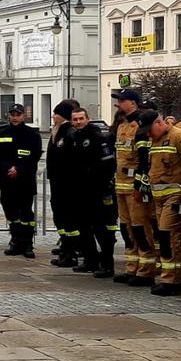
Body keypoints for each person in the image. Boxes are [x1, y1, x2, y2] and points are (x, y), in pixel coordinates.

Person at [142, 111, 181, 295]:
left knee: (169, 236)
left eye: (149, 129)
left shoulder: (179, 136)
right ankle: (172, 275)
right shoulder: (154, 140)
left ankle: (172, 280)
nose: (148, 134)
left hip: (175, 196)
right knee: (164, 236)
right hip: (158, 197)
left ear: (159, 123)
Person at [111, 90, 155, 285]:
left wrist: (141, 184)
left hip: (134, 186)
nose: (118, 104)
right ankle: (132, 266)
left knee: (140, 227)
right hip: (121, 185)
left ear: (134, 103)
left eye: (122, 101)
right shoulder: (122, 125)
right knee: (126, 227)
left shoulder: (141, 126)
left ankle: (146, 270)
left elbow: (145, 159)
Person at [71, 107, 118, 278]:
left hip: (97, 190)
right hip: (81, 190)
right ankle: (90, 260)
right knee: (83, 227)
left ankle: (107, 265)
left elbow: (107, 164)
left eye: (81, 118)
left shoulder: (98, 137)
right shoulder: (74, 137)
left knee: (101, 229)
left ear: (87, 119)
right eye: (75, 119)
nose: (78, 122)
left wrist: (105, 186)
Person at [0, 103, 42, 259]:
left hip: (25, 180)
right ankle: (15, 241)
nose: (15, 117)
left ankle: (27, 243)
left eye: (18, 114)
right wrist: (9, 168)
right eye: (12, 114)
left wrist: (19, 169)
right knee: (10, 211)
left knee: (26, 212)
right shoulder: (1, 133)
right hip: (7, 180)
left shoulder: (32, 135)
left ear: (23, 116)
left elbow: (34, 157)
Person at [47, 101, 80, 267]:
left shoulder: (69, 132)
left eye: (56, 114)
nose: (53, 116)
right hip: (57, 181)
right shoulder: (57, 131)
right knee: (59, 214)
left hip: (66, 182)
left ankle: (71, 251)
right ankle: (65, 248)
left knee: (68, 218)